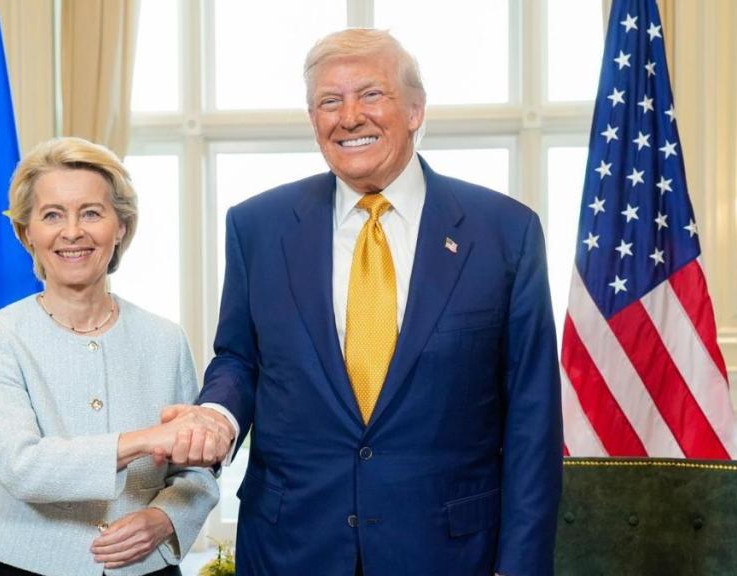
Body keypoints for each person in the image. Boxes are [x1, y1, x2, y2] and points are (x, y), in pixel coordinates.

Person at [161, 29, 563, 575]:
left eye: (371, 95)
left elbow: (532, 417)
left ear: (417, 109)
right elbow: (240, 359)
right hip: (291, 548)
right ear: (313, 118)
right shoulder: (257, 227)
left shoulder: (504, 232)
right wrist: (217, 414)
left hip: (447, 552)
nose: (349, 117)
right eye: (330, 101)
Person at [0, 137, 222, 576]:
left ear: (120, 226)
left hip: (148, 568)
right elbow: (20, 465)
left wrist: (165, 519)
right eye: (51, 215)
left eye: (91, 213)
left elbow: (197, 472)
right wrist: (145, 440)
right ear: (27, 232)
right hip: (26, 568)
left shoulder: (165, 338)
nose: (72, 232)